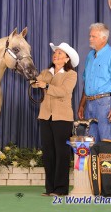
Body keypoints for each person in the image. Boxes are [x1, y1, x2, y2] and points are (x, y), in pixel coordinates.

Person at [33, 42, 79, 196]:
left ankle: (61, 189)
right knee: (48, 153)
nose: (56, 55)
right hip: (45, 116)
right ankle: (50, 188)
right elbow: (34, 83)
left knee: (62, 153)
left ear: (67, 59)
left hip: (62, 118)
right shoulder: (47, 72)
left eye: (60, 53)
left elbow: (64, 91)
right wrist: (33, 79)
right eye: (55, 53)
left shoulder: (71, 74)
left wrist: (45, 86)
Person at [78, 23, 111, 142]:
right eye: (90, 36)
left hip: (105, 103)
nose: (90, 39)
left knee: (107, 139)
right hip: (89, 103)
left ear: (104, 38)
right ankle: (94, 161)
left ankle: (108, 161)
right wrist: (81, 105)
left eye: (93, 36)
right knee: (91, 140)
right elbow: (87, 82)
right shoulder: (90, 55)